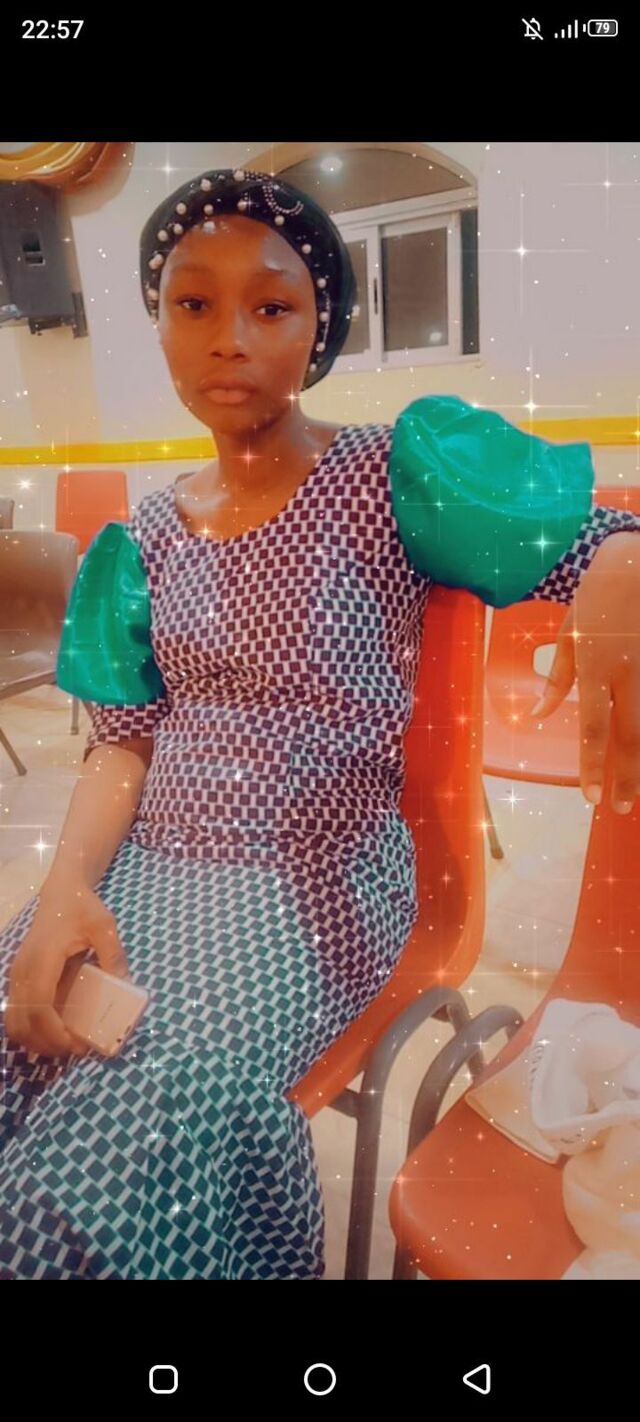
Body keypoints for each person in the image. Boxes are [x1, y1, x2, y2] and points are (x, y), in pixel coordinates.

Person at [1, 169, 639, 1281]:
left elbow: (585, 545)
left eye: (271, 304)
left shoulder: (392, 474)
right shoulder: (142, 538)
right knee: (23, 1028)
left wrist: (620, 566)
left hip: (316, 880)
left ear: (321, 325)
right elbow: (122, 737)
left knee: (134, 1118)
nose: (230, 337)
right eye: (193, 304)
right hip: (143, 867)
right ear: (159, 325)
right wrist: (65, 891)